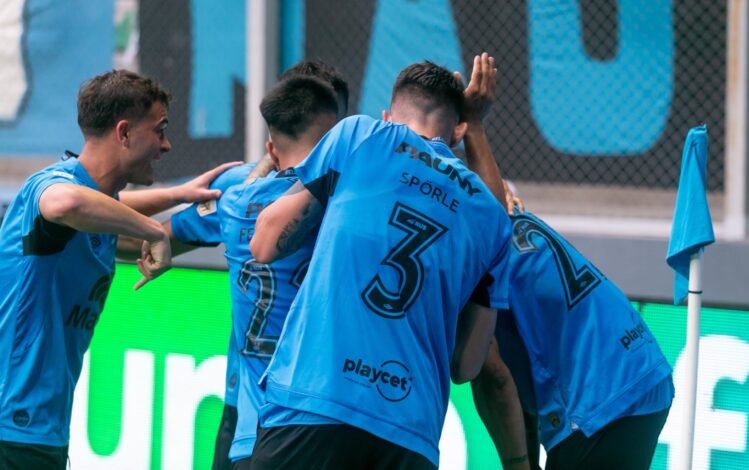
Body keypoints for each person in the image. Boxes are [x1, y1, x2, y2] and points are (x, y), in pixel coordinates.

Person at [247, 53, 513, 469]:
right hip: (409, 431)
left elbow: (265, 243)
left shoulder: (360, 135)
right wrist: (477, 124)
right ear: (457, 134)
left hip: (315, 401)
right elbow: (466, 365)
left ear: (388, 116)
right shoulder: (491, 217)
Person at [0, 69, 237, 469]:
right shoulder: (52, 185)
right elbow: (66, 203)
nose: (167, 145)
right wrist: (152, 230)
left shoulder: (100, 215)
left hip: (41, 427)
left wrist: (180, 197)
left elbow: (110, 210)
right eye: (160, 130)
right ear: (124, 133)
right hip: (12, 425)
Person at [160, 60, 349, 469]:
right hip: (262, 409)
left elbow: (153, 242)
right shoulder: (352, 197)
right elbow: (157, 241)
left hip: (287, 414)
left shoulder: (238, 192)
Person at [470, 180, 675, 469]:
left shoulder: (468, 249)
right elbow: (517, 384)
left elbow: (494, 377)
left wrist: (517, 464)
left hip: (600, 400)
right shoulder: (506, 216)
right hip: (643, 368)